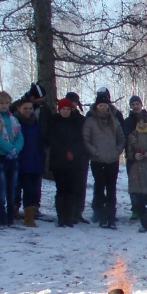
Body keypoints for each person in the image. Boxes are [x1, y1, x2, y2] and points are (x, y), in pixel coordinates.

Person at [82, 95, 125, 229]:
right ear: (96, 107)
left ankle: (111, 216)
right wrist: (94, 152)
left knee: (111, 188)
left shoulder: (115, 121)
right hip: (97, 160)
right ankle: (100, 216)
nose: (102, 108)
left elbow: (121, 138)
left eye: (105, 106)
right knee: (99, 187)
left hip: (112, 159)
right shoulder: (90, 121)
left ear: (108, 107)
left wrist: (117, 150)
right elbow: (85, 140)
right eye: (100, 105)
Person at [0, 91, 23, 228]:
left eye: (6, 103)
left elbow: (20, 136)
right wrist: (9, 148)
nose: (4, 106)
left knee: (12, 188)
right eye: (1, 103)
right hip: (0, 156)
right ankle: (2, 217)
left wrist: (16, 149)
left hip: (13, 157)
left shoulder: (12, 117)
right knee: (1, 188)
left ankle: (10, 217)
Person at [48, 98, 87, 228]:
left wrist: (73, 152)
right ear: (59, 109)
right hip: (59, 161)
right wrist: (64, 151)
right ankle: (61, 217)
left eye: (67, 109)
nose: (65, 111)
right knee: (61, 189)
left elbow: (79, 140)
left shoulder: (76, 121)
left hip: (73, 161)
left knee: (71, 190)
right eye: (63, 109)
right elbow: (52, 139)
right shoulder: (54, 121)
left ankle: (69, 216)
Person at [12, 100, 46, 227]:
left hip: (35, 159)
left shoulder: (35, 122)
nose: (28, 110)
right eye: (25, 108)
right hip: (21, 158)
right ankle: (20, 215)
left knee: (32, 189)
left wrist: (41, 156)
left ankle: (30, 215)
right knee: (23, 188)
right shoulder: (15, 121)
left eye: (30, 108)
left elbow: (39, 141)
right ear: (19, 108)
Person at [66, 92, 90, 223]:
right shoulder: (61, 118)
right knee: (68, 186)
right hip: (67, 157)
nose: (73, 105)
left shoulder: (82, 119)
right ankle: (69, 212)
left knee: (81, 186)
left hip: (81, 156)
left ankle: (78, 212)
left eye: (75, 102)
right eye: (71, 102)